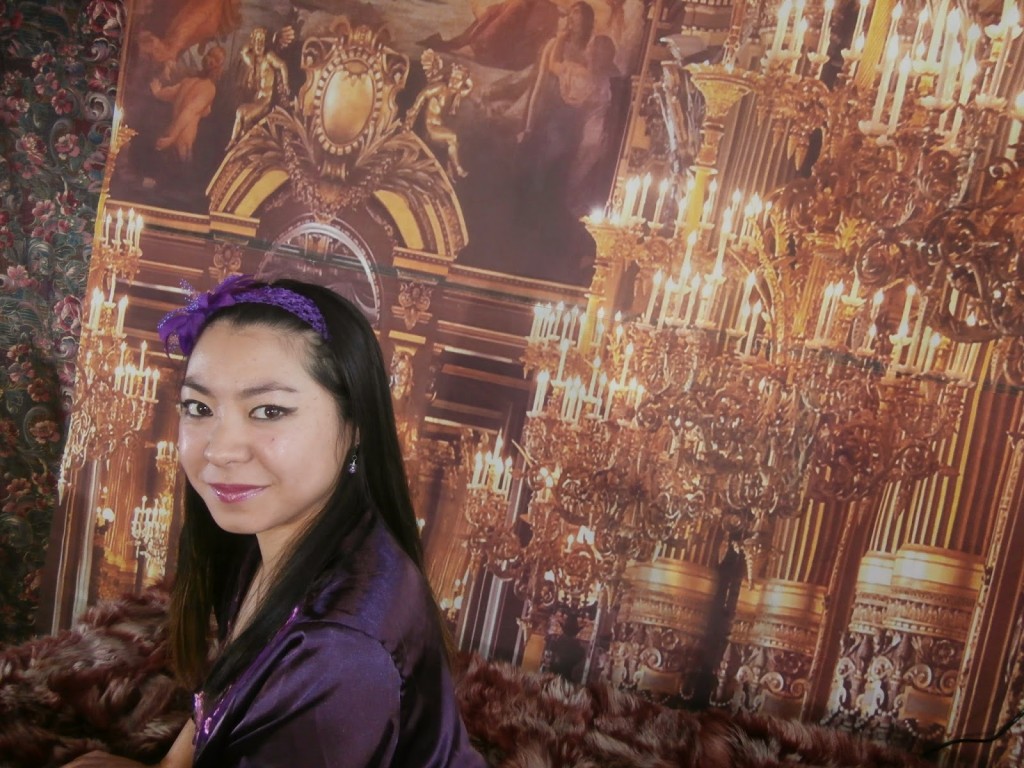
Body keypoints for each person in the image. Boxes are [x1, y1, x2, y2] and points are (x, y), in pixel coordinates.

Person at [61, 275, 486, 767]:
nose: (220, 450)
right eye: (199, 407)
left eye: (268, 411)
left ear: (355, 426)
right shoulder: (280, 532)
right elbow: (220, 697)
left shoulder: (338, 651)